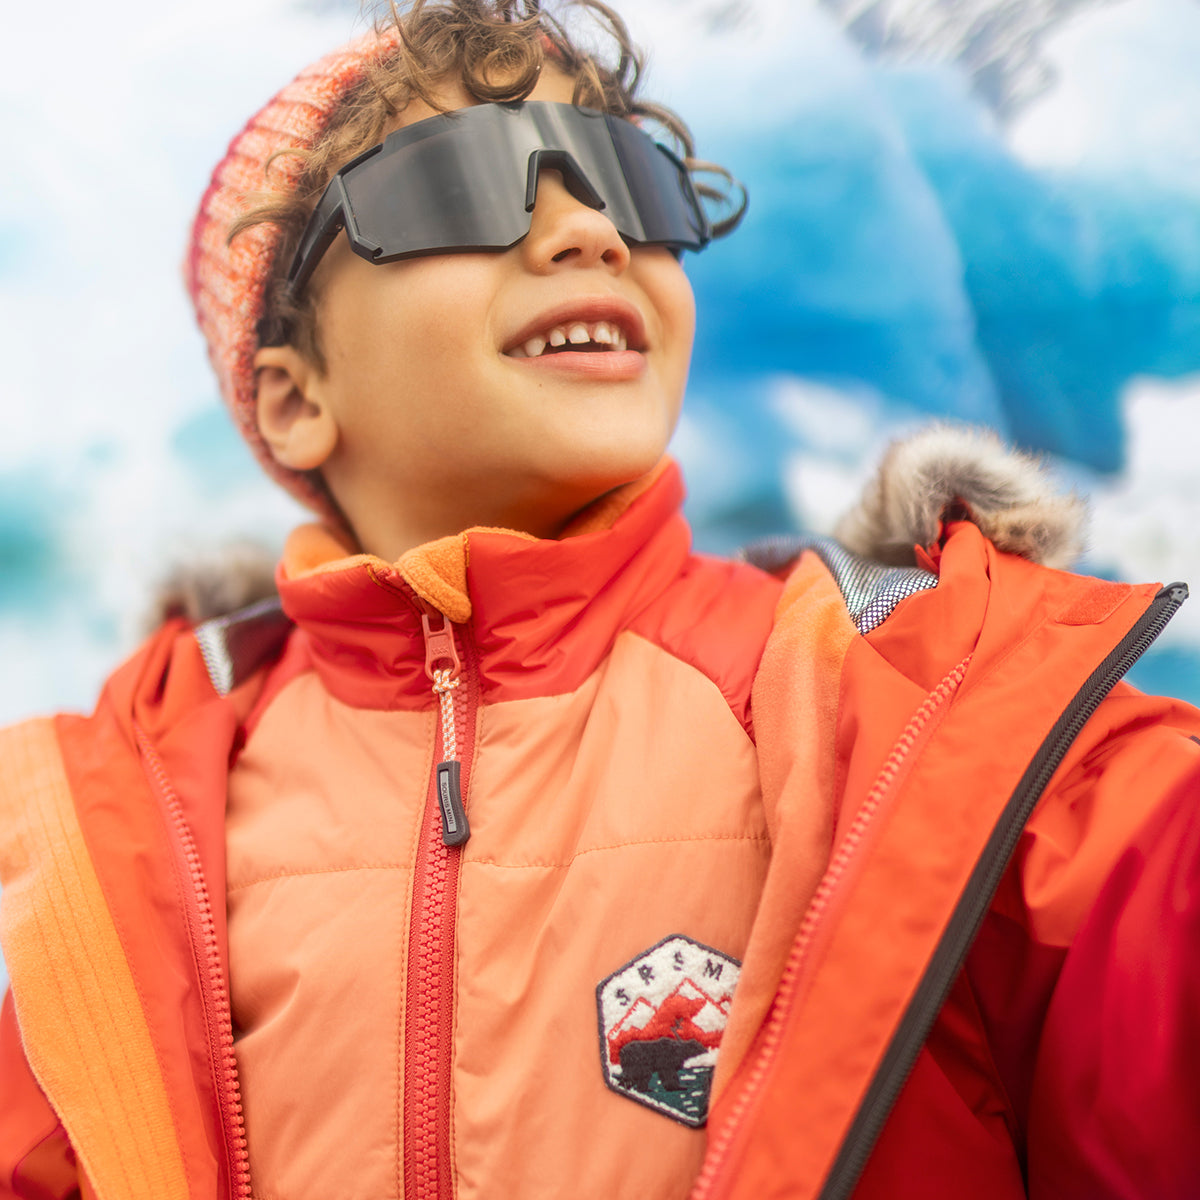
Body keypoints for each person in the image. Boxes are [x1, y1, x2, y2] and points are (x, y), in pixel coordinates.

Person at [2, 2, 1199, 1197]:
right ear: (293, 399)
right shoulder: (148, 818)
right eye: (466, 180)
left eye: (635, 187)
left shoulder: (901, 699)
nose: (589, 233)